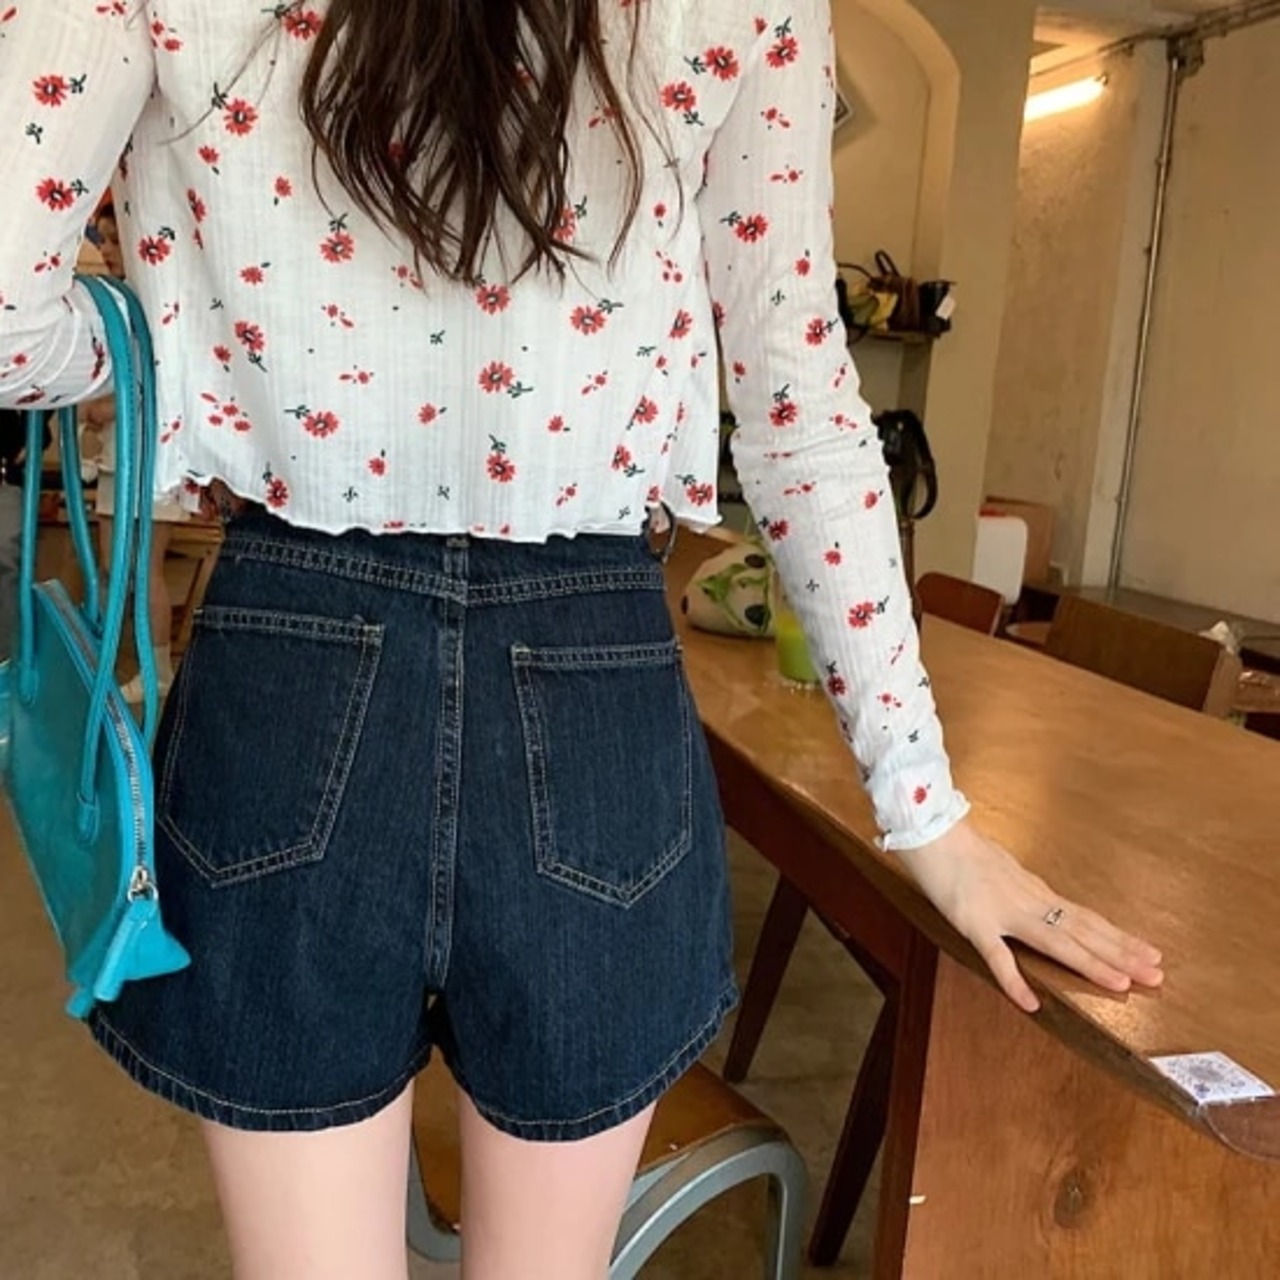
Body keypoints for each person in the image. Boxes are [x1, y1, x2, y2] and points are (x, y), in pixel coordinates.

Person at [0, 4, 1163, 1278]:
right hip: (592, 675)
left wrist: (161, 344)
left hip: (291, 657)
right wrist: (924, 812)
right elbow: (797, 403)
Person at [79, 200, 186, 699]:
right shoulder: (119, 302)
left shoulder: (160, 307)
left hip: (150, 458)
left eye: (116, 240)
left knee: (143, 569)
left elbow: (159, 382)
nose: (107, 250)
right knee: (112, 566)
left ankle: (156, 667)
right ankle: (123, 660)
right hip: (113, 458)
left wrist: (109, 408)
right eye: (104, 241)